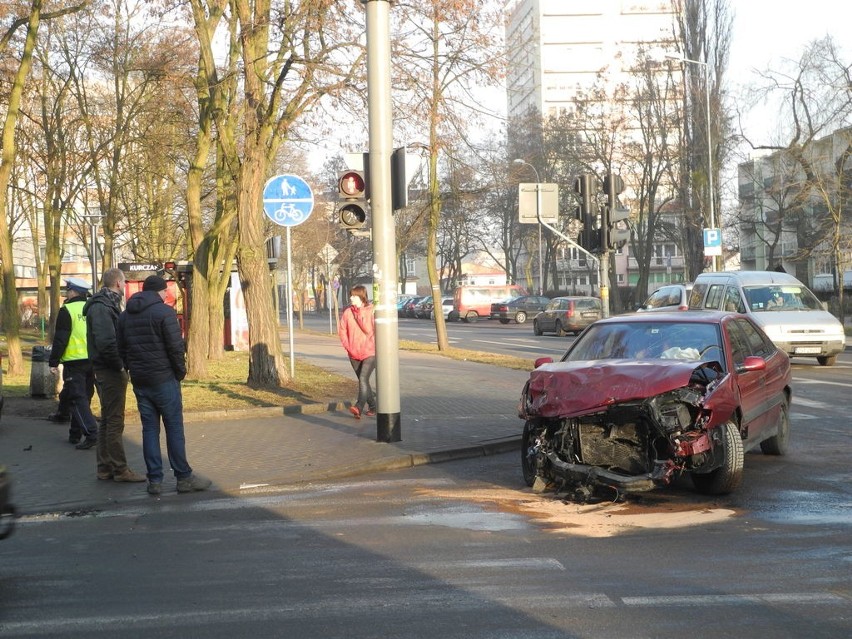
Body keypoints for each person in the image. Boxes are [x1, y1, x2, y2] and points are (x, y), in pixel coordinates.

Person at [117, 275, 210, 496]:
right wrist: (179, 372)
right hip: (164, 379)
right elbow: (176, 348)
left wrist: (132, 370)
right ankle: (183, 478)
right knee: (174, 429)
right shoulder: (165, 313)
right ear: (159, 292)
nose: (167, 295)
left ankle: (155, 481)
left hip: (141, 381)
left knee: (149, 430)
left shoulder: (125, 316)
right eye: (165, 291)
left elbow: (121, 349)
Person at [83, 267, 146, 483]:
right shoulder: (102, 307)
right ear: (118, 283)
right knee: (115, 421)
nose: (125, 285)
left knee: (108, 419)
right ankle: (120, 469)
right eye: (124, 282)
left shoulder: (105, 304)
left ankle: (105, 467)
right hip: (109, 370)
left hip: (105, 368)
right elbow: (107, 342)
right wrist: (120, 367)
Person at [48, 277, 99, 449]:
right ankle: (75, 434)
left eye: (68, 290)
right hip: (92, 360)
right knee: (83, 396)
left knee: (77, 399)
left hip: (74, 362)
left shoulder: (67, 310)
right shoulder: (92, 307)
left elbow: (61, 338)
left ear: (74, 292)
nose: (66, 293)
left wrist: (53, 361)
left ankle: (91, 432)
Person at [338, 284, 376, 419]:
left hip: (369, 352)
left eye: (354, 296)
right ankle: (373, 406)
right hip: (353, 352)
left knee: (363, 378)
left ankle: (359, 407)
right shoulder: (348, 312)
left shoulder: (371, 311)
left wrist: (359, 313)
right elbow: (342, 330)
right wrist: (348, 346)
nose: (351, 298)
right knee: (363, 381)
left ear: (361, 296)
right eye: (351, 296)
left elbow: (369, 330)